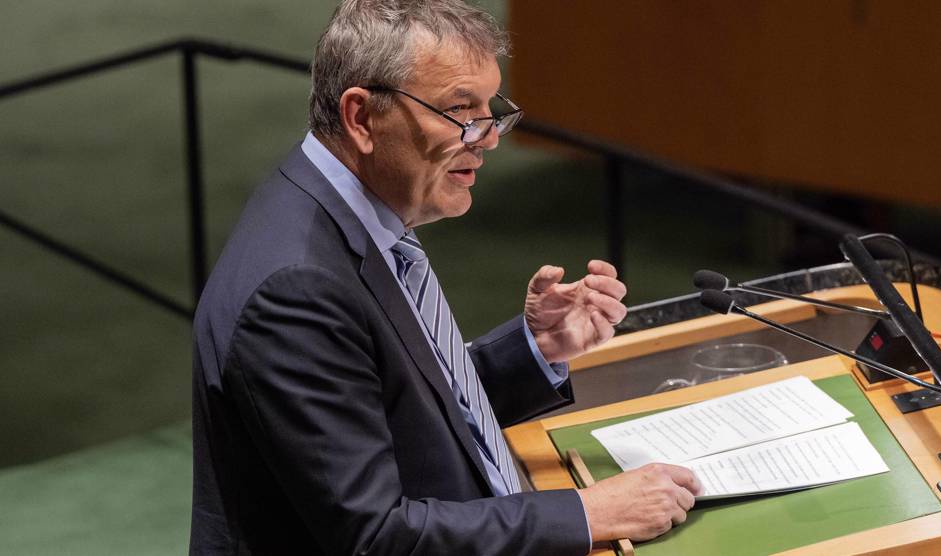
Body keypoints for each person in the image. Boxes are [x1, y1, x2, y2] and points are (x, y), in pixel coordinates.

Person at [190, 1, 701, 554]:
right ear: (361, 118)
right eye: (461, 111)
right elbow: (375, 536)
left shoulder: (348, 213)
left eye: (491, 109)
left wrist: (535, 349)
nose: (488, 138)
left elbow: (407, 415)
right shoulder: (297, 290)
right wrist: (586, 513)